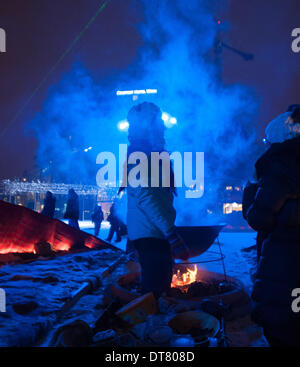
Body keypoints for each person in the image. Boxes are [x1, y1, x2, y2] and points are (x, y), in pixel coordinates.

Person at [243, 105, 300, 347]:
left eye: (267, 140)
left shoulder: (282, 168)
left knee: (285, 328)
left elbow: (258, 217)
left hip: (287, 264)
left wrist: (251, 187)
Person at [121, 102, 189, 298]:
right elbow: (146, 196)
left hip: (152, 234)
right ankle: (152, 326)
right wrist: (171, 234)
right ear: (147, 125)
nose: (163, 127)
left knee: (157, 288)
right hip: (151, 236)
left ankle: (154, 323)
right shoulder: (140, 155)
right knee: (155, 293)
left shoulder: (149, 153)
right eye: (159, 122)